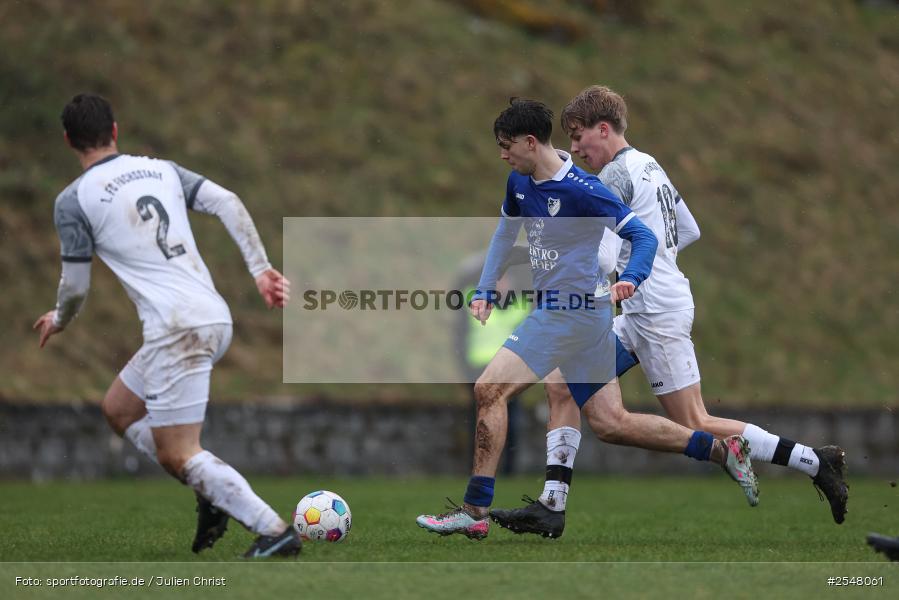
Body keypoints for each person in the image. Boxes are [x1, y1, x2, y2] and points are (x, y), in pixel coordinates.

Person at [490, 85, 848, 539]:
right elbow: (688, 229)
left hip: (654, 310)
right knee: (561, 385)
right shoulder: (650, 164)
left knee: (695, 421)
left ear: (605, 129)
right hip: (641, 306)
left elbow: (596, 256)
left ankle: (816, 462)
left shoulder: (611, 179)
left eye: (580, 137)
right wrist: (654, 263)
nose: (575, 148)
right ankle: (552, 504)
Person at [416, 98, 758, 540]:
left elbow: (642, 235)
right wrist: (485, 287)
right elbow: (505, 233)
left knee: (488, 389)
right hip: (581, 317)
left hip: (568, 315)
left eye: (506, 146)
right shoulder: (518, 184)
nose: (502, 154)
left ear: (530, 142)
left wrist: (631, 277)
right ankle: (717, 451)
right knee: (612, 423)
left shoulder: (584, 189)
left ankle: (474, 509)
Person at [33, 94, 300, 558]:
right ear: (115, 131)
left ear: (67, 141)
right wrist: (260, 269)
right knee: (119, 409)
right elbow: (227, 201)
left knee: (177, 452)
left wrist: (60, 318)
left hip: (177, 331)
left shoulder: (73, 200)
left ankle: (275, 531)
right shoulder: (162, 169)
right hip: (209, 316)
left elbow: (75, 285)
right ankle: (209, 487)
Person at [453, 253, 531, 474]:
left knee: (511, 421)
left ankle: (507, 469)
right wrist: (464, 369)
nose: (502, 284)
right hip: (478, 369)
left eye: (505, 279)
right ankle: (478, 468)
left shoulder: (521, 303)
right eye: (497, 279)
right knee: (479, 423)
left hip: (509, 372)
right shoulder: (472, 299)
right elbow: (459, 336)